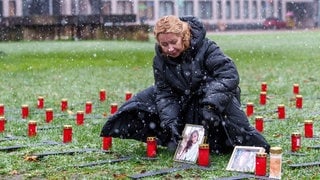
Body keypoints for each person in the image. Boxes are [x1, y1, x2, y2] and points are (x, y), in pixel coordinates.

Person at [100, 15, 270, 154]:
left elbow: (228, 75)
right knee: (144, 101)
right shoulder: (159, 61)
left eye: (173, 42)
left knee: (235, 133)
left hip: (213, 99)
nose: (170, 49)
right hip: (184, 100)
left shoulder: (207, 48)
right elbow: (165, 93)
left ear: (184, 37)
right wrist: (171, 122)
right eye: (164, 44)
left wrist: (211, 104)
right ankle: (175, 135)